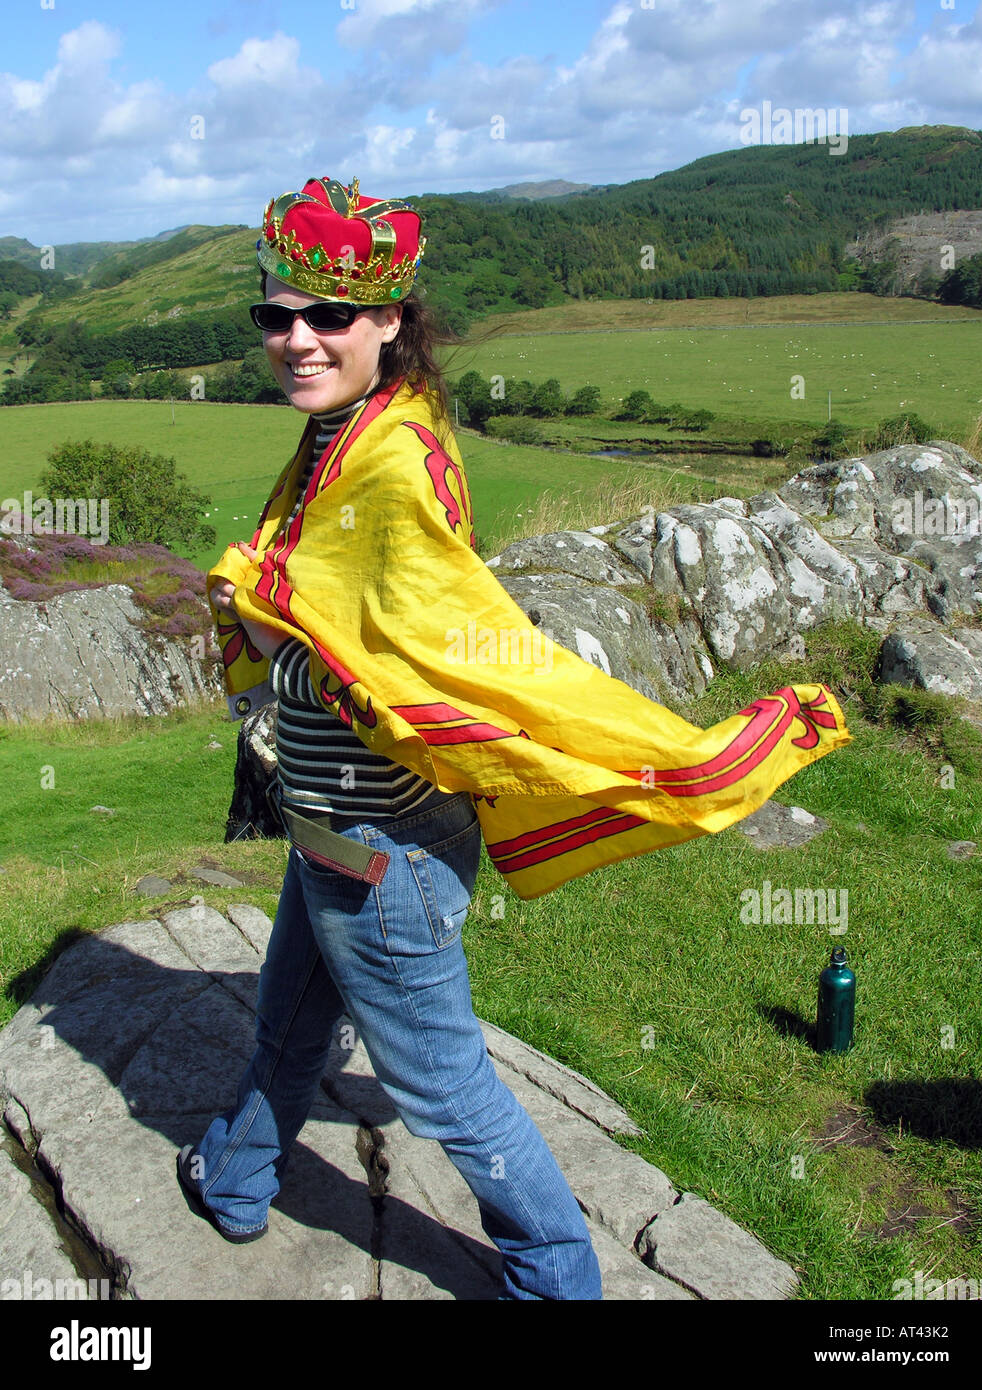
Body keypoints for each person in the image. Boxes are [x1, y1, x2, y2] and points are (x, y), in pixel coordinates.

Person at [178, 175, 605, 1300]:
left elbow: (397, 664)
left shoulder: (391, 465)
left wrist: (266, 630)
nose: (298, 338)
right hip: (341, 836)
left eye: (329, 315)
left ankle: (558, 1277)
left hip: (384, 850)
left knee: (445, 1084)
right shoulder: (346, 432)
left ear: (391, 320)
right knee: (285, 1022)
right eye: (276, 314)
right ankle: (235, 1174)